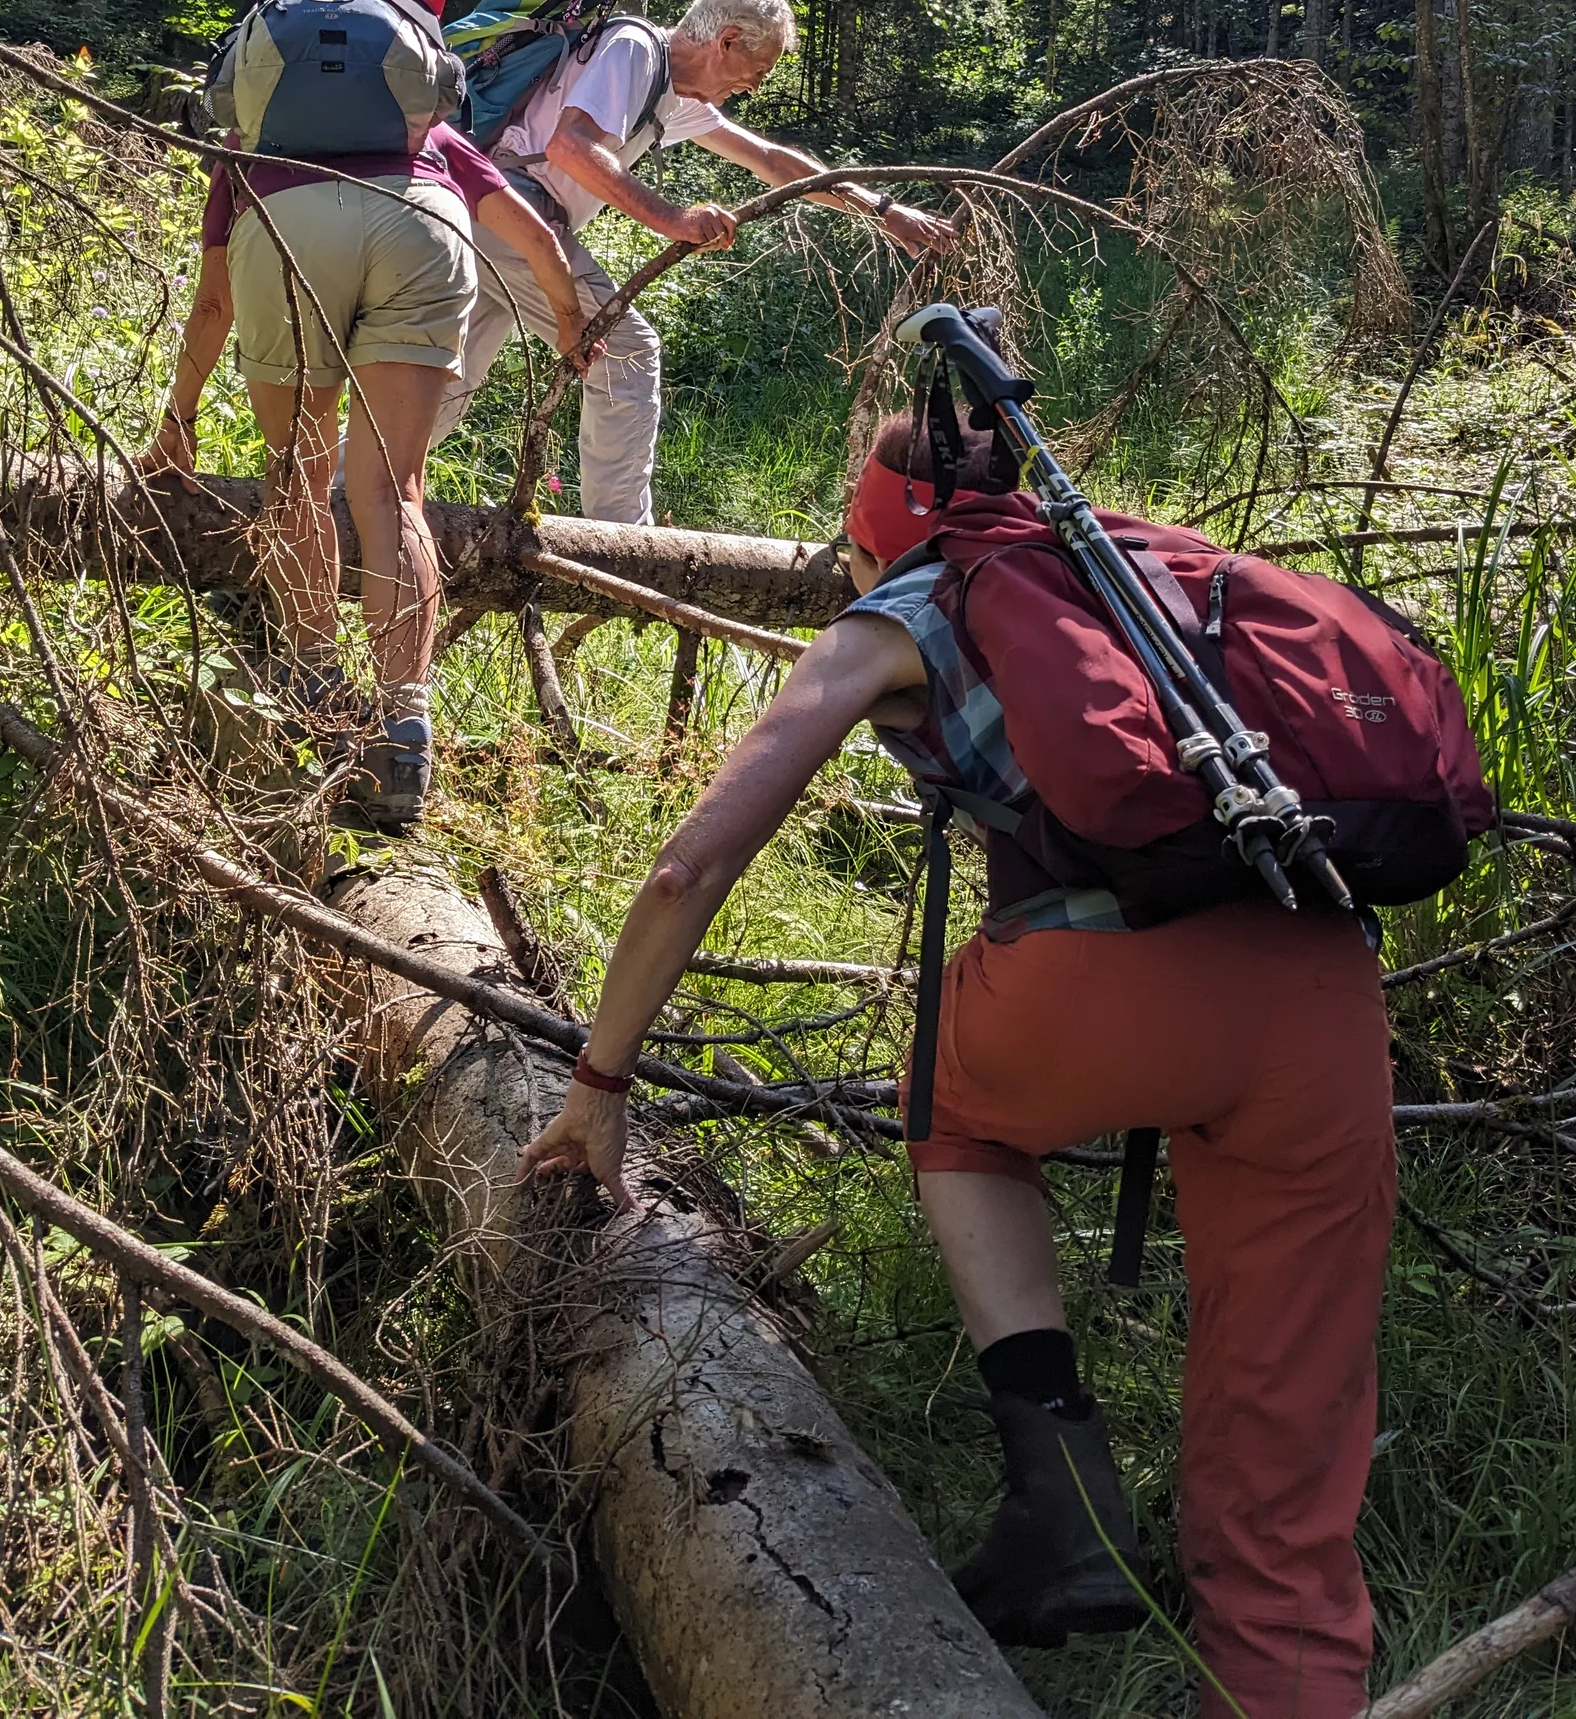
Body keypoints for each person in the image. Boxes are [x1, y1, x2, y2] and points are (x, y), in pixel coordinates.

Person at [516, 414, 1403, 1719]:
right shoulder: (1137, 583)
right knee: (1288, 1452)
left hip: (1105, 994)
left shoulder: (906, 608)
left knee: (958, 1105)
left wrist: (598, 1088)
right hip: (1329, 996)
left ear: (876, 533)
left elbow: (684, 867)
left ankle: (1062, 1488)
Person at [142, 0, 594, 828]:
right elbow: (539, 244)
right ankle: (404, 731)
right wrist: (572, 325)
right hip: (422, 223)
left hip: (288, 213)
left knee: (298, 475)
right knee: (395, 491)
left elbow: (213, 300)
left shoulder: (254, 129)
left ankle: (316, 697)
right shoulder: (435, 133)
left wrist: (179, 416)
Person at [439, 0, 955, 524]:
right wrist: (673, 218)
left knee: (447, 374)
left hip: (481, 209)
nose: (755, 86)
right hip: (507, 209)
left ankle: (348, 497)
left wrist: (882, 209)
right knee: (628, 352)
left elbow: (772, 161)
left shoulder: (674, 95)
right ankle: (620, 549)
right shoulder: (634, 50)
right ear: (726, 40)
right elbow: (571, 146)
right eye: (758, 68)